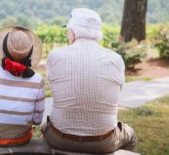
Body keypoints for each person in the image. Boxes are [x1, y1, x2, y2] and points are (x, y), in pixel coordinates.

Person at [41, 8, 137, 153]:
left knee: (44, 126)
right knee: (131, 134)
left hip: (60, 139)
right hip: (103, 142)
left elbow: (54, 85)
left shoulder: (55, 55)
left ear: (73, 32)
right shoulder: (115, 59)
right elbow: (117, 91)